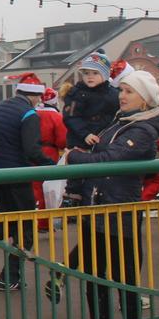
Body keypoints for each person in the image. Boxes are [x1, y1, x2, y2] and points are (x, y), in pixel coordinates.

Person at [65, 69, 159, 319]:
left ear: (145, 100)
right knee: (94, 276)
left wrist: (75, 157)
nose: (121, 96)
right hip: (98, 205)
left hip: (120, 209)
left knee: (125, 276)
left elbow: (109, 159)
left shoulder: (143, 130)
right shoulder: (121, 123)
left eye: (129, 92)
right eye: (121, 90)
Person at [0, 73, 54, 290]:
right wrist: (51, 164)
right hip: (16, 174)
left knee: (6, 220)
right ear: (35, 97)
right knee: (25, 226)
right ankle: (10, 277)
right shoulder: (29, 114)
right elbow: (32, 149)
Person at [61, 52, 119, 206]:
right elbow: (70, 116)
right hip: (80, 139)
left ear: (105, 75)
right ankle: (72, 197)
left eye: (95, 73)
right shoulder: (77, 93)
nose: (90, 77)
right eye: (86, 73)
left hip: (104, 139)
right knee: (77, 172)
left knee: (99, 174)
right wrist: (85, 133)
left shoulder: (114, 94)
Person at [33, 84, 69, 227]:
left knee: (34, 187)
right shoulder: (56, 117)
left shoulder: (32, 114)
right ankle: (45, 222)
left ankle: (32, 220)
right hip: (49, 153)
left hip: (31, 152)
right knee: (49, 188)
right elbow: (62, 140)